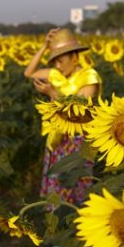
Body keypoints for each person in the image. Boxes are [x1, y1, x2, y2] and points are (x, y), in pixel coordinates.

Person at [23, 28, 102, 205]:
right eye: (54, 62)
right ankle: (56, 219)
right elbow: (29, 73)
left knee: (78, 179)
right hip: (58, 137)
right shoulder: (56, 75)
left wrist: (53, 93)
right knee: (58, 180)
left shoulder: (89, 77)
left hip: (81, 138)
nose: (57, 66)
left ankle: (77, 222)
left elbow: (79, 109)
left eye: (60, 61)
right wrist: (44, 46)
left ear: (74, 57)